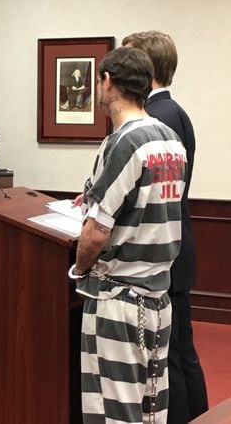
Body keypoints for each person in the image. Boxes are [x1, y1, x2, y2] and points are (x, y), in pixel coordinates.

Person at [69, 46, 187, 423]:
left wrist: (79, 268)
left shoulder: (124, 142)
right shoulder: (169, 138)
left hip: (119, 299)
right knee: (151, 407)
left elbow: (96, 232)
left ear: (108, 82)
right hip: (157, 296)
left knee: (113, 409)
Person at [123, 30, 207, 423]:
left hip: (163, 253)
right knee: (181, 352)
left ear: (145, 68)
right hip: (179, 245)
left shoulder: (157, 118)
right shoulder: (175, 112)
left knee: (172, 357)